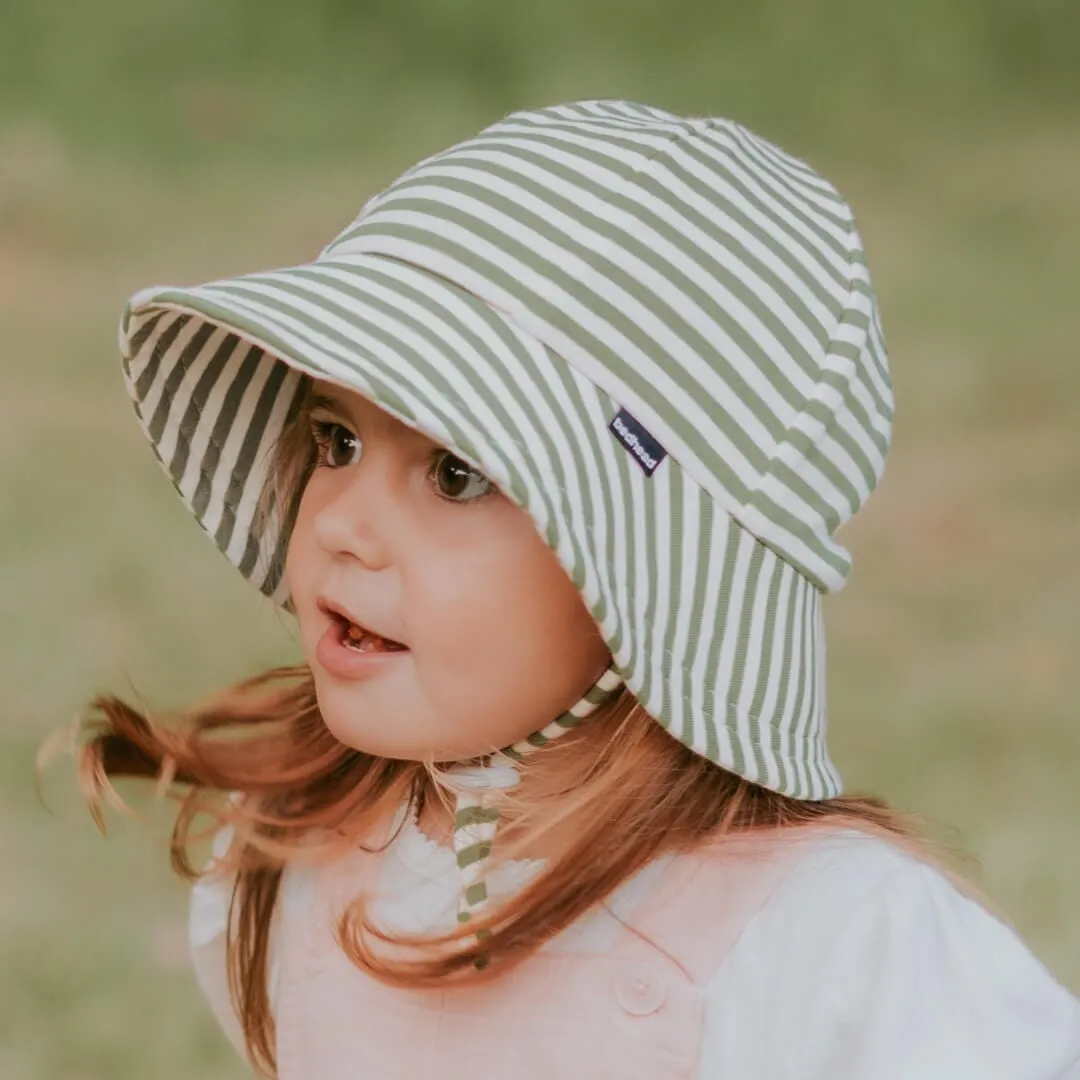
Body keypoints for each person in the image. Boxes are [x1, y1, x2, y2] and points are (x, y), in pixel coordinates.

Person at [63, 99, 1080, 1078]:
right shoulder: (292, 862)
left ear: (651, 577)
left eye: (457, 474)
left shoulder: (827, 946)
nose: (337, 523)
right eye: (335, 439)